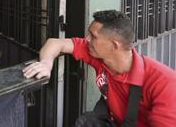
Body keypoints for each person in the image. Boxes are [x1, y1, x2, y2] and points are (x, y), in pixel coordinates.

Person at [23, 10, 176, 126]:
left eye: (93, 36)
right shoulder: (99, 56)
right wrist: (46, 63)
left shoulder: (165, 82)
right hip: (114, 121)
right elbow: (56, 43)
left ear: (114, 45)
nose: (87, 39)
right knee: (87, 121)